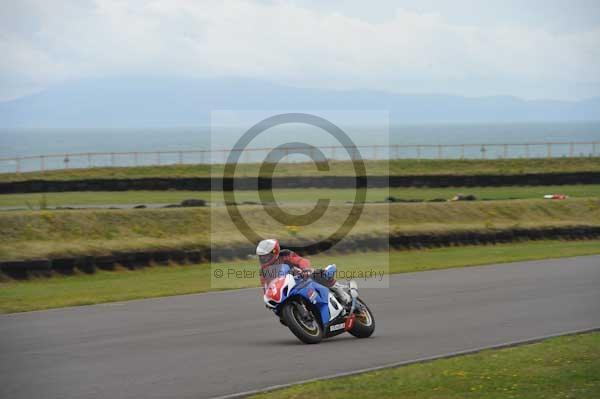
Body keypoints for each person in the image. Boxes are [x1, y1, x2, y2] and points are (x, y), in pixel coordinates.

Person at [256, 238, 351, 304]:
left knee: (317, 274)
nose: (264, 259)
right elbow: (266, 287)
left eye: (266, 256)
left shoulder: (286, 254)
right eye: (261, 256)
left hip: (302, 277)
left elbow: (301, 260)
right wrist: (268, 297)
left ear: (275, 252)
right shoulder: (263, 271)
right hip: (287, 289)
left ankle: (338, 289)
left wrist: (305, 269)